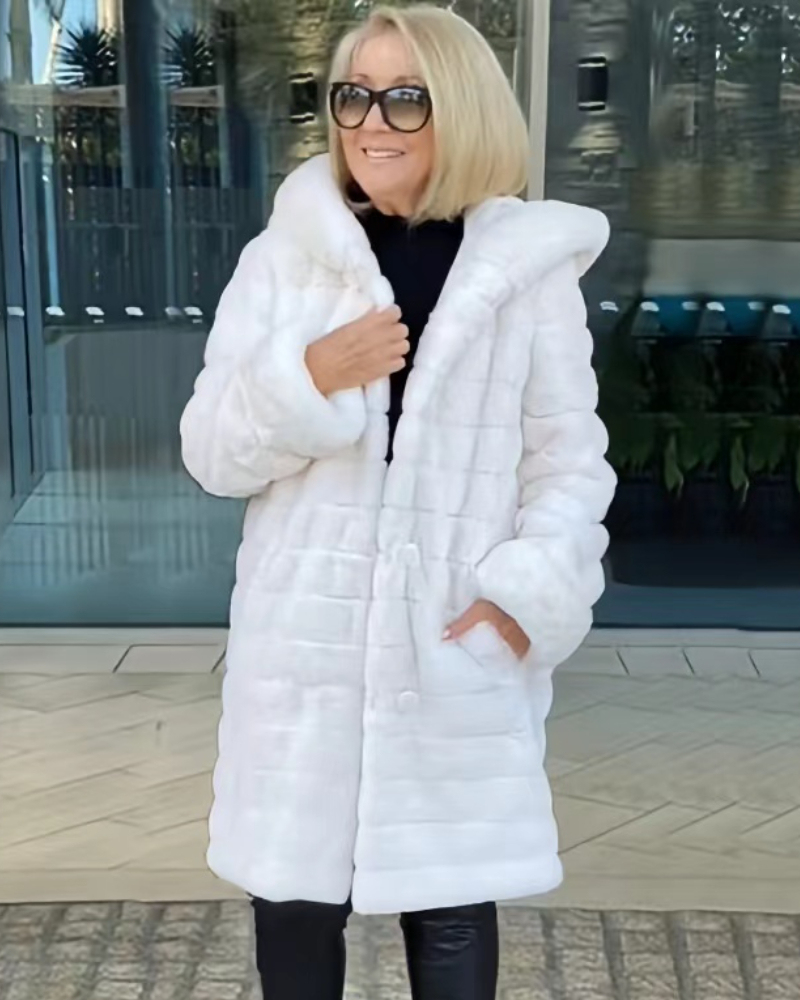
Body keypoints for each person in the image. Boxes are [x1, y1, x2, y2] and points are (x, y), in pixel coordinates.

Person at [180, 5, 616, 998]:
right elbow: (210, 452)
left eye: (404, 98)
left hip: (448, 643)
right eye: (354, 96)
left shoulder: (524, 278)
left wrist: (521, 600)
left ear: (458, 109)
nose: (371, 121)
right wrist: (311, 375)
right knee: (294, 911)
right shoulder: (284, 262)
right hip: (303, 656)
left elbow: (568, 465)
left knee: (452, 909)